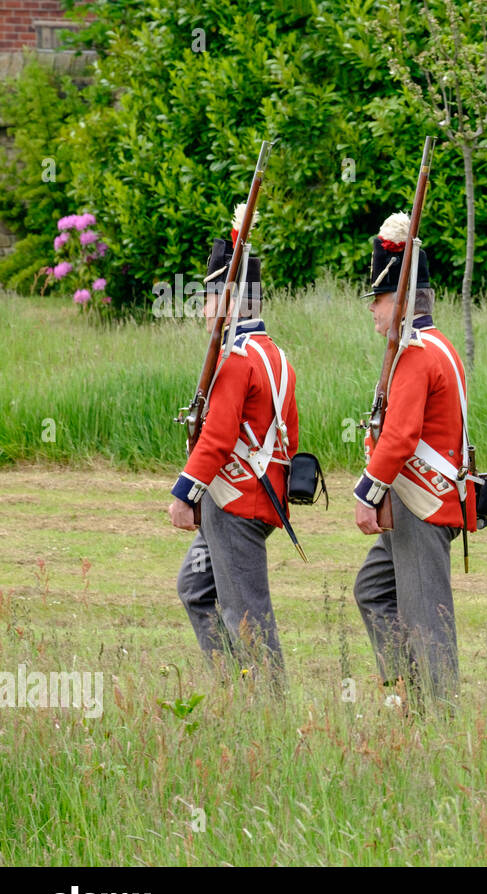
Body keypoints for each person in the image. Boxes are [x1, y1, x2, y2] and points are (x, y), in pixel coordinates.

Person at [353, 212, 475, 710]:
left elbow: (401, 436)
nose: (373, 311)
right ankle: (408, 690)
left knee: (428, 619)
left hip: (422, 503)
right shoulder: (427, 347)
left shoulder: (418, 353)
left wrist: (367, 492)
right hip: (413, 500)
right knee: (373, 590)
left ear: (401, 300)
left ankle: (438, 717)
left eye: (378, 300)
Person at [171, 205, 297, 689]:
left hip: (236, 503)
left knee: (246, 613)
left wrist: (184, 494)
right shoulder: (274, 354)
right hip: (254, 498)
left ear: (229, 300)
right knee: (195, 589)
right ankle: (236, 685)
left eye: (209, 296)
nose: (203, 309)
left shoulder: (236, 360)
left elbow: (219, 437)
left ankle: (268, 703)